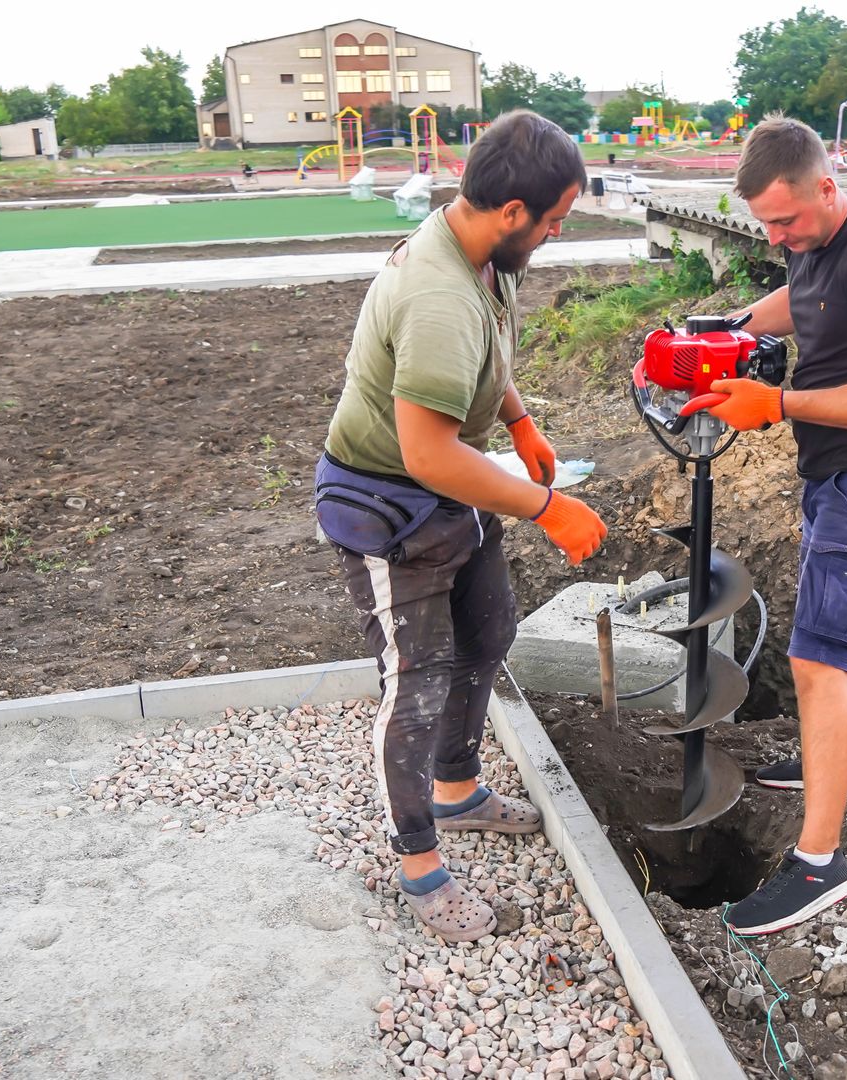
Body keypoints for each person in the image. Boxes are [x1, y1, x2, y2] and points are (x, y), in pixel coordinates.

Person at [313, 111, 608, 943]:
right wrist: (549, 506)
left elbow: (487, 362)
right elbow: (429, 453)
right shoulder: (439, 293)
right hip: (390, 501)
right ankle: (418, 864)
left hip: (448, 489)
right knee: (417, 677)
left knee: (489, 628)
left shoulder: (484, 258)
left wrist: (518, 423)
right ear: (512, 210)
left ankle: (458, 787)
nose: (555, 235)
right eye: (552, 221)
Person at [701, 115, 847, 935]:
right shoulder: (815, 245)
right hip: (833, 475)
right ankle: (846, 764)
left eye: (787, 221)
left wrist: (780, 402)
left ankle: (818, 865)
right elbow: (798, 299)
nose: (778, 236)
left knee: (814, 660)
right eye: (766, 224)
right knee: (846, 633)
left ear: (826, 186)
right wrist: (723, 329)